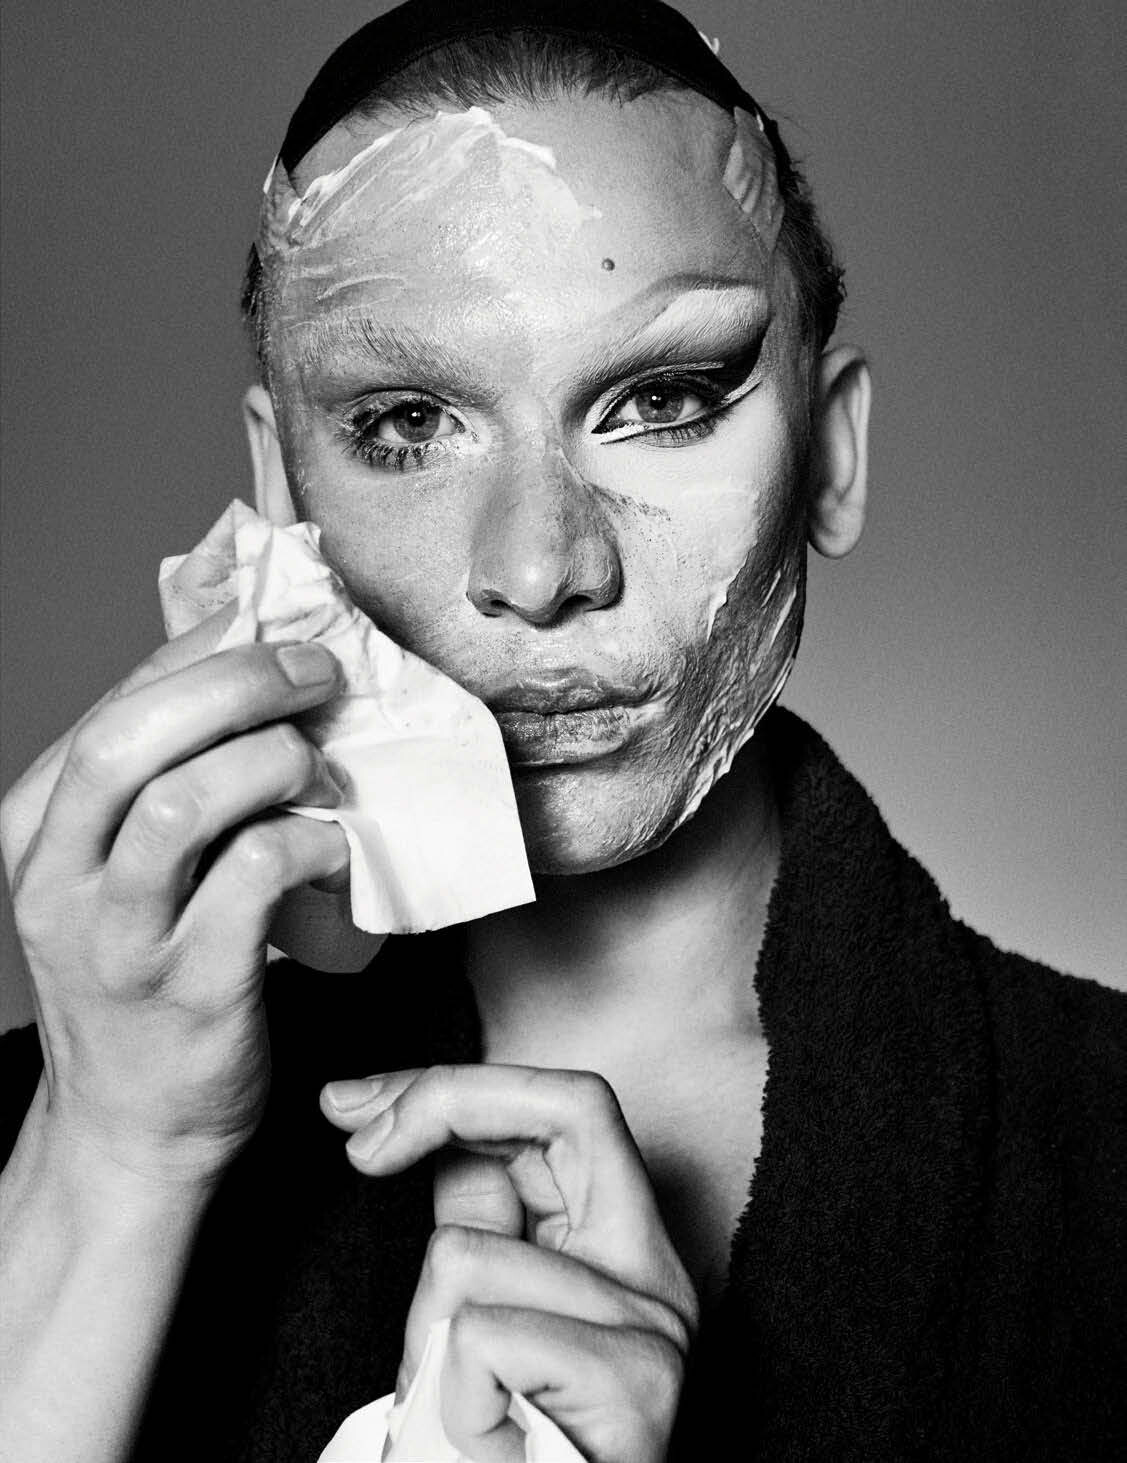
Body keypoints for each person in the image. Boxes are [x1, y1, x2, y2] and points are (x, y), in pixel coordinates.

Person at [1, 2, 1123, 1459]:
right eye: (409, 423)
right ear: (282, 493)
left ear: (830, 458)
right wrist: (111, 1161)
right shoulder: (59, 1151)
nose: (540, 569)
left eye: (661, 400)